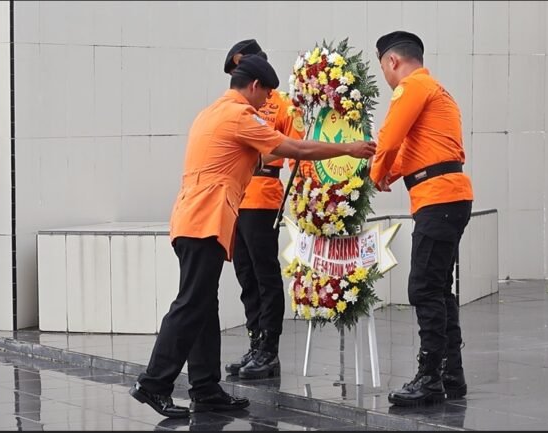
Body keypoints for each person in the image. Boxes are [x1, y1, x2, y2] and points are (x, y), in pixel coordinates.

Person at [130, 54, 376, 418]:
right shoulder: (239, 115)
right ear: (254, 86)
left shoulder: (210, 112)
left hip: (191, 218)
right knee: (190, 303)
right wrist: (349, 149)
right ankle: (153, 382)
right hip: (205, 219)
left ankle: (205, 387)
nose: (268, 103)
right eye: (267, 94)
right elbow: (294, 149)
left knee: (203, 305)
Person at [370, 31, 473, 406]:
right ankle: (451, 375)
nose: (385, 75)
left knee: (424, 288)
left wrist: (375, 173)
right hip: (447, 196)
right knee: (439, 288)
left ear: (392, 61)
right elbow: (417, 150)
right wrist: (388, 173)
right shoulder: (436, 91)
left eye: (383, 67)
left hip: (438, 198)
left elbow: (390, 138)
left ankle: (430, 377)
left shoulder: (412, 88)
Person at [221, 40, 304, 381]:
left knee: (265, 275)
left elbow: (295, 146)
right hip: (237, 196)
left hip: (264, 195)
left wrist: (255, 152)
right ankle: (256, 345)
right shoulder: (237, 106)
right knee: (245, 274)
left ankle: (269, 351)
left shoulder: (282, 104)